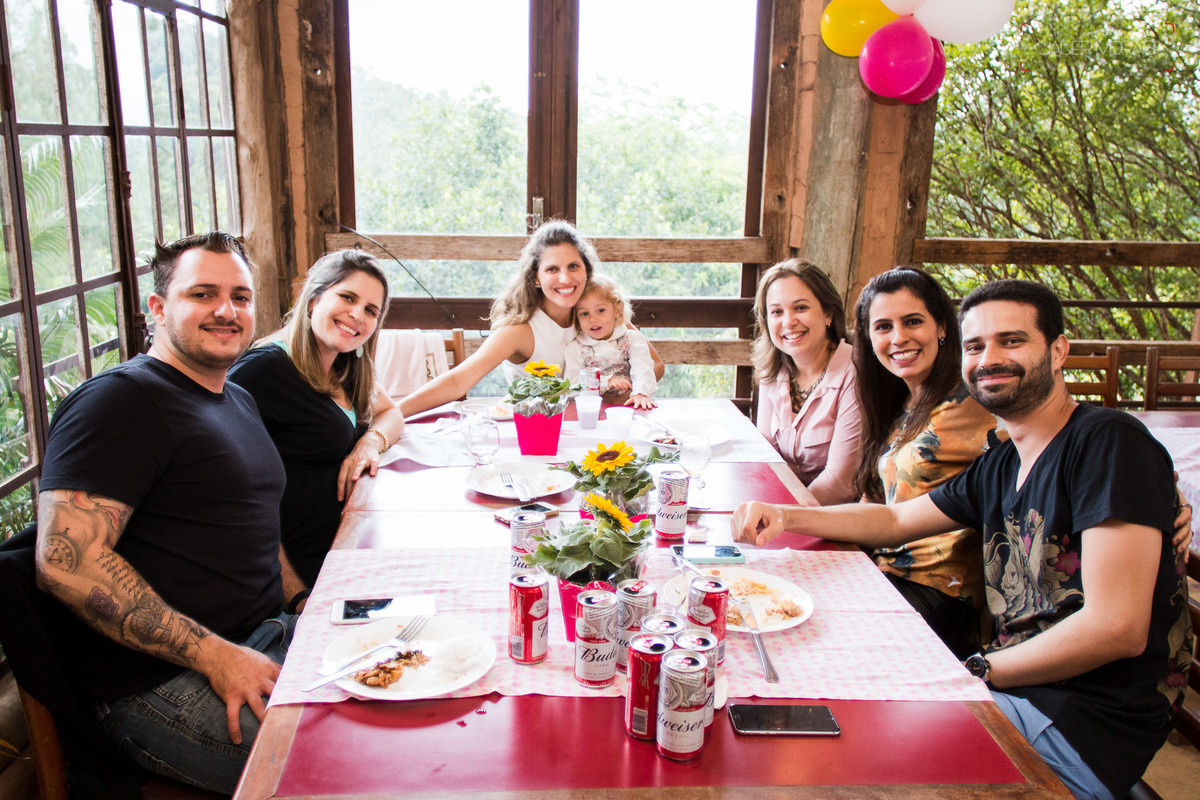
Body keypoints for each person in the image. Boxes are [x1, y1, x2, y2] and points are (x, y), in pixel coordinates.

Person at [733, 279, 1194, 800]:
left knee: (840, 772)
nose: (989, 358)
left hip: (1084, 719)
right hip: (1015, 689)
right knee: (814, 718)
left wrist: (973, 670)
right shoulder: (1002, 461)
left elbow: (1117, 627)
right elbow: (895, 522)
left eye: (1011, 341)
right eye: (976, 347)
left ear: (1059, 350)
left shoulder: (1106, 441)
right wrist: (787, 517)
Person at [35, 232, 291, 794]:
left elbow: (255, 520)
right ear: (158, 307)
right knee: (347, 765)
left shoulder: (235, 396)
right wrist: (215, 655)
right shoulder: (120, 401)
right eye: (203, 294)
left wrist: (306, 603)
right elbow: (65, 561)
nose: (227, 311)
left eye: (241, 297)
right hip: (162, 683)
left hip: (267, 637)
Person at [229, 249, 405, 592]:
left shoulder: (345, 364)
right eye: (347, 297)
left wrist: (370, 442)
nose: (357, 315)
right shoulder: (263, 370)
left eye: (371, 310)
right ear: (313, 301)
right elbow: (231, 490)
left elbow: (391, 412)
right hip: (297, 563)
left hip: (345, 539)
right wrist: (292, 593)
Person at [851, 266, 998, 658]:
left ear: (942, 327)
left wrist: (1172, 498)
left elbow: (1062, 434)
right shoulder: (898, 402)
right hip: (885, 572)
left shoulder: (979, 402)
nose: (899, 338)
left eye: (913, 321)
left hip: (945, 593)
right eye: (883, 326)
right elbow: (875, 504)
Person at [398, 220, 664, 416]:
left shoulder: (597, 313)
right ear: (536, 277)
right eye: (552, 269)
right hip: (532, 434)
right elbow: (457, 381)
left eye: (573, 266)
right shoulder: (520, 331)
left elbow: (656, 365)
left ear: (586, 271)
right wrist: (393, 414)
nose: (565, 278)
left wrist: (618, 393)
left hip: (595, 427)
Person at [752, 258, 862, 504]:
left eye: (800, 308)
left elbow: (840, 482)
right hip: (782, 510)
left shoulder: (854, 373)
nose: (788, 321)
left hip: (837, 520)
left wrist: (783, 515)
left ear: (828, 314)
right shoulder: (774, 367)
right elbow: (764, 454)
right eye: (777, 312)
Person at [564, 274, 658, 409]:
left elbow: (642, 367)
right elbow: (573, 384)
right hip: (591, 410)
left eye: (600, 310)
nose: (593, 319)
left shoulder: (631, 338)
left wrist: (641, 393)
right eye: (584, 314)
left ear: (618, 309)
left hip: (629, 405)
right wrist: (605, 382)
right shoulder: (575, 348)